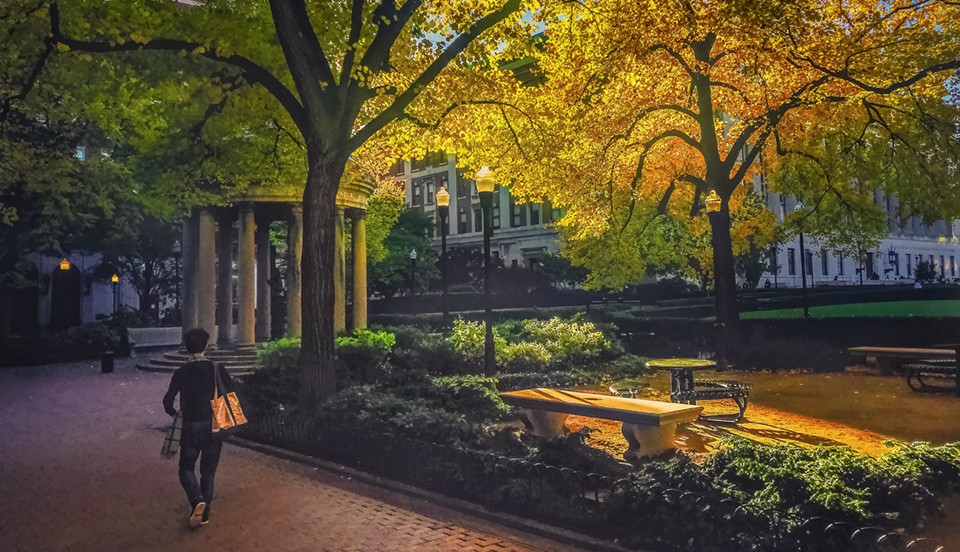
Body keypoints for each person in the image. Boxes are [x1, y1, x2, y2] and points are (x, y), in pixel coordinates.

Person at [163, 328, 235, 528]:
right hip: (214, 425)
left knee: (186, 468)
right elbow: (231, 393)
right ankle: (205, 514)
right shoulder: (216, 368)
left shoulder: (182, 372)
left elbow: (167, 401)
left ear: (187, 348)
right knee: (208, 472)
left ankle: (197, 500)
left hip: (191, 426)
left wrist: (175, 413)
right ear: (205, 345)